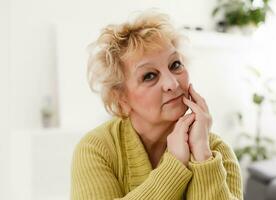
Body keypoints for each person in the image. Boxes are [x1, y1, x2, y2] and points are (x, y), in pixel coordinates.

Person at [71, 10, 243, 200]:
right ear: (122, 100)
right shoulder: (96, 149)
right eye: (149, 76)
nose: (172, 84)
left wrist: (202, 156)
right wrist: (175, 165)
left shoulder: (216, 151)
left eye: (175, 65)